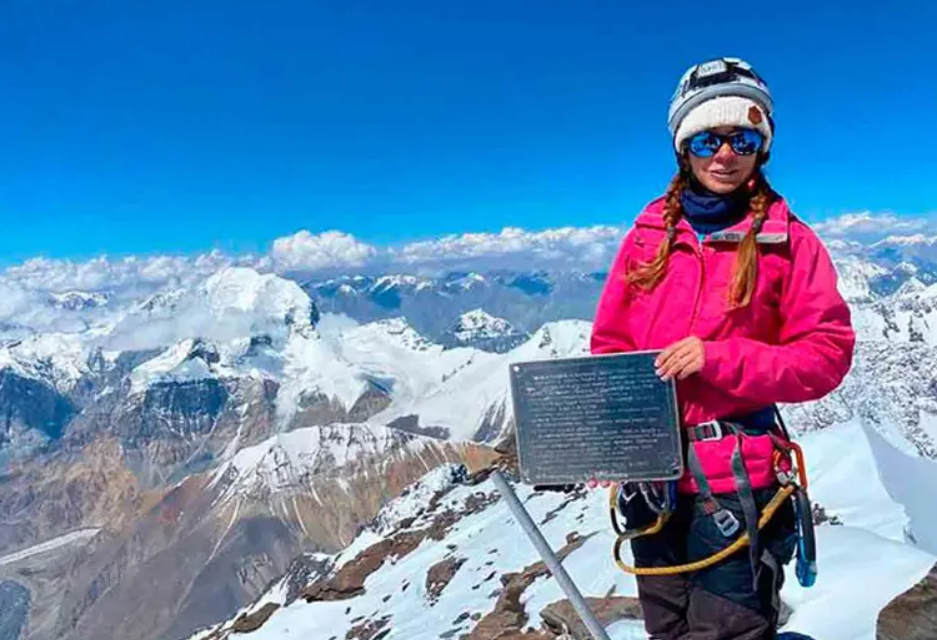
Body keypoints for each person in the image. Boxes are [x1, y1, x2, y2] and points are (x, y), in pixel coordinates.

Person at [590, 57, 856, 640]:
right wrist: (607, 438)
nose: (726, 153)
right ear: (684, 147)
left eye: (745, 138)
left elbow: (826, 355)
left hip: (736, 480)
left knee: (729, 631)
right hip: (651, 480)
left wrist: (721, 357)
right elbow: (612, 347)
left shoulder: (790, 244)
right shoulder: (646, 239)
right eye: (709, 137)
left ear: (763, 148)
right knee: (667, 627)